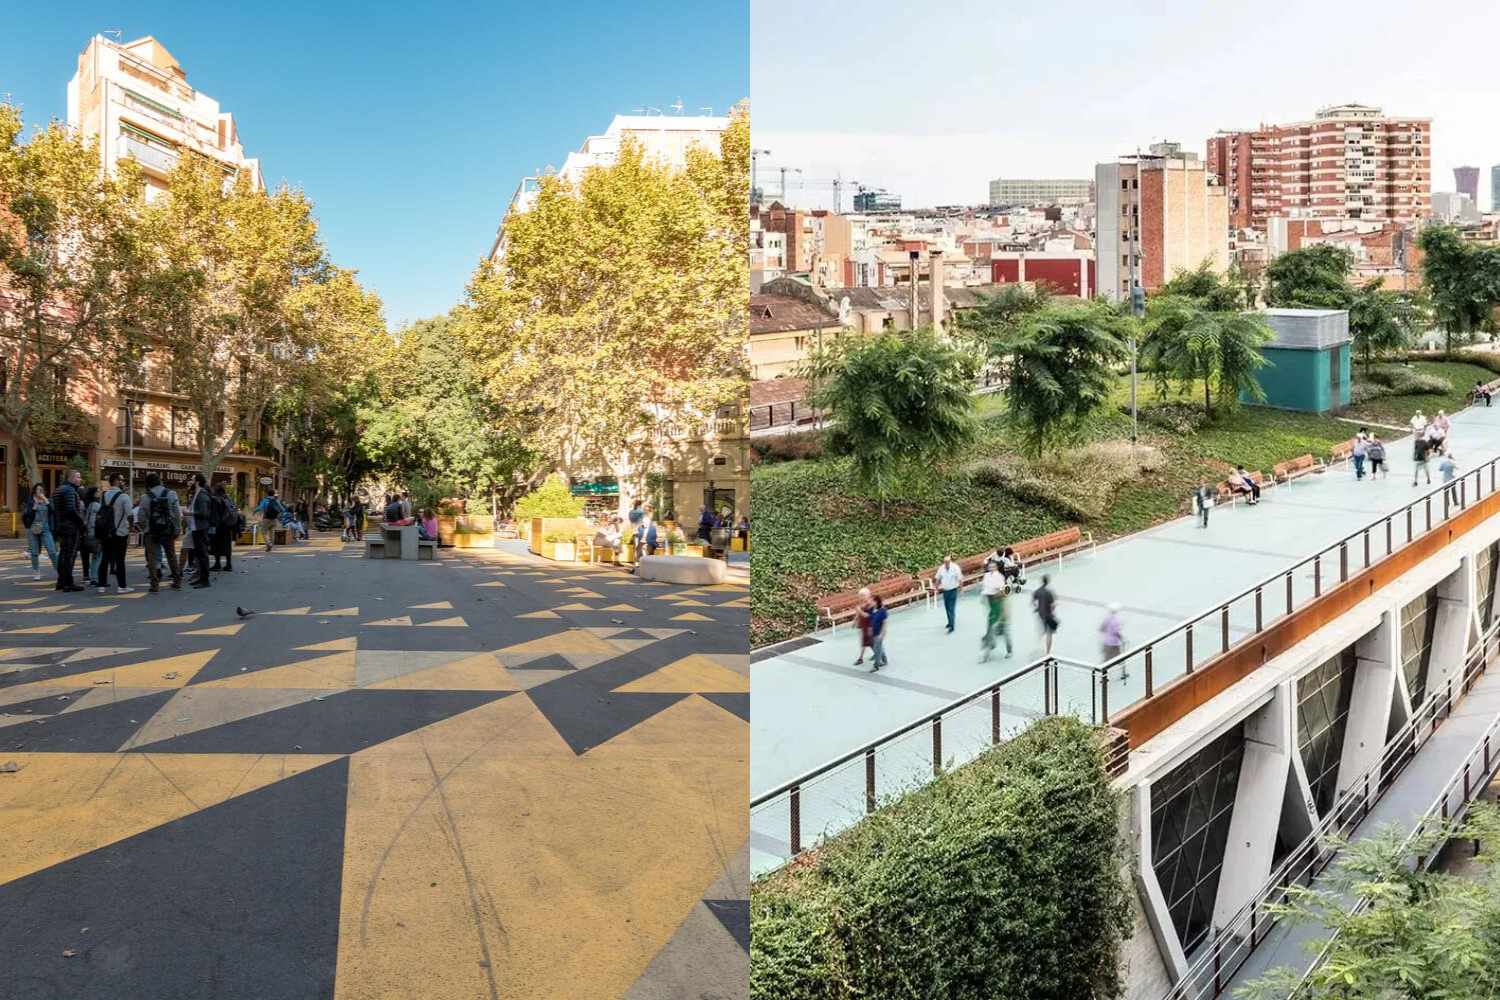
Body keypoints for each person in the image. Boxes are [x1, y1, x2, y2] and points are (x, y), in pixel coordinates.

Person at [138, 473, 182, 593]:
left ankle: (154, 584)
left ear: (148, 484)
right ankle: (177, 581)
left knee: (152, 558)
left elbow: (141, 516)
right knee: (171, 555)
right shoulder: (171, 494)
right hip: (167, 530)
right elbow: (177, 514)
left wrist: (145, 528)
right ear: (160, 481)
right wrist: (177, 529)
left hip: (151, 531)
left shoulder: (145, 497)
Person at [93, 473, 133, 594]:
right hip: (120, 532)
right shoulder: (124, 497)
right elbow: (129, 514)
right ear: (116, 481)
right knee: (120, 560)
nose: (123, 482)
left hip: (106, 532)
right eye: (121, 480)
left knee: (105, 558)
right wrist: (130, 526)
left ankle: (101, 585)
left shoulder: (103, 496)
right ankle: (122, 586)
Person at [52, 468, 86, 592]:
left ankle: (61, 581)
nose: (80, 479)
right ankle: (68, 582)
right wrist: (81, 520)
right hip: (70, 526)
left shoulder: (59, 489)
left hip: (61, 525)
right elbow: (71, 509)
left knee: (64, 553)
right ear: (71, 478)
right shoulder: (70, 491)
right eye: (78, 477)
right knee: (69, 554)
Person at [21, 484, 58, 582]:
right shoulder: (31, 501)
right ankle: (36, 572)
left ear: (45, 491)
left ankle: (59, 570)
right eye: (37, 490)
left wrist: (45, 500)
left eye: (41, 490)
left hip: (45, 528)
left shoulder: (48, 501)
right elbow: (29, 515)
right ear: (34, 492)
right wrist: (35, 504)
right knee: (34, 552)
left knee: (52, 551)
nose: (39, 492)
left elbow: (53, 510)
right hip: (32, 528)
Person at [979, 559, 1012, 661]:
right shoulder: (987, 577)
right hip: (994, 611)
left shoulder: (1002, 597)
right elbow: (986, 589)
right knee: (990, 628)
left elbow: (1005, 610)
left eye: (993, 567)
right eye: (990, 567)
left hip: (1002, 616)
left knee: (1005, 632)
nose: (991, 569)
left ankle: (1009, 650)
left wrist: (1002, 617)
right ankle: (989, 645)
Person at [188, 474, 212, 588]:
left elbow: (204, 513)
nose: (190, 482)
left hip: (201, 528)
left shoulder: (202, 495)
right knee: (199, 554)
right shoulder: (197, 495)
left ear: (197, 482)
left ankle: (205, 580)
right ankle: (201, 577)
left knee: (202, 554)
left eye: (192, 480)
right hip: (196, 528)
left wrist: (189, 513)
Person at [209, 484, 237, 573]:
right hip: (228, 526)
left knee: (216, 544)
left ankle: (217, 563)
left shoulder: (217, 500)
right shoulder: (229, 500)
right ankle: (228, 564)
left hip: (219, 526)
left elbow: (214, 514)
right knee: (227, 545)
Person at [933, 554, 962, 634]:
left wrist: (961, 589)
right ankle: (950, 622)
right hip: (945, 590)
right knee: (947, 607)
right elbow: (938, 579)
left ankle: (952, 626)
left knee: (951, 608)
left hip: (953, 590)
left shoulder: (955, 568)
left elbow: (960, 579)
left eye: (948, 561)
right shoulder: (941, 568)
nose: (947, 563)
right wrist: (936, 588)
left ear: (950, 561)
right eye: (945, 561)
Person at [81, 485, 103, 588]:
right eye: (98, 491)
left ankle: (93, 577)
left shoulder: (89, 505)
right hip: (96, 532)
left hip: (89, 532)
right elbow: (98, 521)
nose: (100, 492)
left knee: (95, 556)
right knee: (97, 556)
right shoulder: (96, 505)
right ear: (94, 494)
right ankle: (95, 578)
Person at [1032, 575, 1059, 656]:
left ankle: (1037, 644)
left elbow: (1034, 601)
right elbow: (1053, 605)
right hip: (1048, 616)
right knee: (1049, 634)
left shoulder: (1038, 591)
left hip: (1041, 614)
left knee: (1042, 630)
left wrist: (1038, 608)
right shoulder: (1049, 593)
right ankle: (1047, 652)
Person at [867, 594, 890, 672]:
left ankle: (876, 666)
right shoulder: (872, 609)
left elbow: (885, 623)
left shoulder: (882, 610)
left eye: (871, 600)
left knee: (877, 649)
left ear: (876, 602)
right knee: (877, 647)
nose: (870, 602)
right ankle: (885, 660)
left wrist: (882, 634)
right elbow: (870, 619)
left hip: (879, 633)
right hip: (873, 632)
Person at [853, 587, 874, 666]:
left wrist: (859, 611)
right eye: (860, 595)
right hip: (863, 625)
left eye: (863, 595)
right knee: (866, 642)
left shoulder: (870, 605)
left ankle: (861, 658)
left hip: (869, 626)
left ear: (868, 595)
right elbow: (858, 614)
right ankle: (862, 657)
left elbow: (867, 616)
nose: (861, 597)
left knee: (868, 642)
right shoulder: (860, 604)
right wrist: (855, 621)